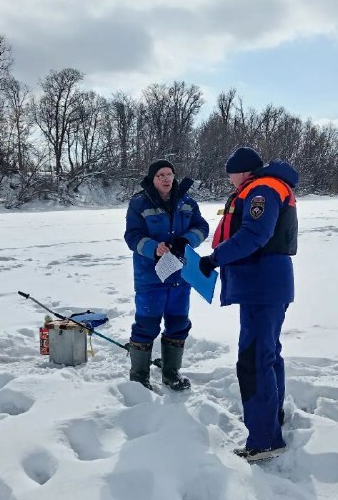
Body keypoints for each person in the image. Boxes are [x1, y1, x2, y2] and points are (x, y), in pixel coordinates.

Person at [198, 147, 298, 462]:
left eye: (230, 173)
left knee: (254, 361)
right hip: (266, 285)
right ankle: (271, 420)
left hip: (262, 286)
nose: (229, 179)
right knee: (267, 355)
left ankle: (265, 440)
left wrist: (214, 259)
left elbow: (254, 235)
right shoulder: (265, 187)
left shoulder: (262, 190)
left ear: (241, 171)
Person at [124, 159, 210, 391]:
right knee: (146, 325)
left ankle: (171, 373)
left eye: (169, 174)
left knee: (178, 324)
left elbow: (202, 228)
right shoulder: (139, 203)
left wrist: (185, 240)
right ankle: (139, 378)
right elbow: (132, 236)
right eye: (160, 175)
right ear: (152, 179)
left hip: (180, 276)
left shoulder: (187, 202)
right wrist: (154, 248)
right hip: (150, 277)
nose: (166, 178)